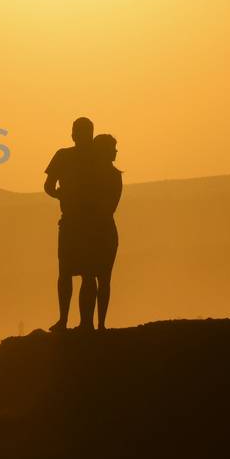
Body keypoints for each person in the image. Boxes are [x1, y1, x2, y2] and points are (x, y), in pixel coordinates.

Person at [45, 117, 98, 331]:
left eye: (81, 131)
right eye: (77, 131)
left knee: (86, 273)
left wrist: (60, 195)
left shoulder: (97, 157)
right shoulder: (64, 156)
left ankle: (83, 322)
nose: (77, 135)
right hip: (72, 222)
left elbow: (48, 186)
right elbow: (48, 185)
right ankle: (66, 320)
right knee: (68, 272)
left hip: (89, 224)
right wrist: (61, 196)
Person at [81, 133, 122, 330]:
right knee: (95, 278)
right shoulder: (111, 176)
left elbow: (109, 206)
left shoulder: (108, 176)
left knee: (97, 278)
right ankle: (94, 324)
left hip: (98, 231)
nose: (116, 151)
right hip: (101, 230)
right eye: (113, 148)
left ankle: (97, 324)